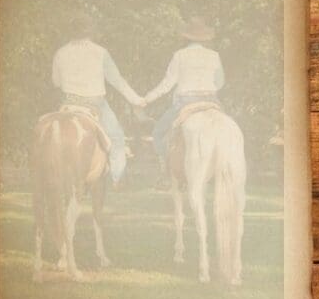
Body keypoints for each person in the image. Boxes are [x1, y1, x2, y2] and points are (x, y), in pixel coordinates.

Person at [52, 12, 145, 185]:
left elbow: (56, 82)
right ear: (90, 32)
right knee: (117, 138)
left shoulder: (60, 52)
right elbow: (117, 81)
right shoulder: (100, 52)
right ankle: (116, 179)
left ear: (71, 31)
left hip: (69, 104)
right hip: (96, 104)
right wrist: (136, 100)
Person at [144, 16, 225, 167]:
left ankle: (166, 170)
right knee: (227, 130)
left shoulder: (180, 55)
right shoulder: (214, 55)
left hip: (185, 102)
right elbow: (220, 82)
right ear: (204, 38)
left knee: (158, 133)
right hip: (211, 100)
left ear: (186, 38)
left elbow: (167, 84)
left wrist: (147, 98)